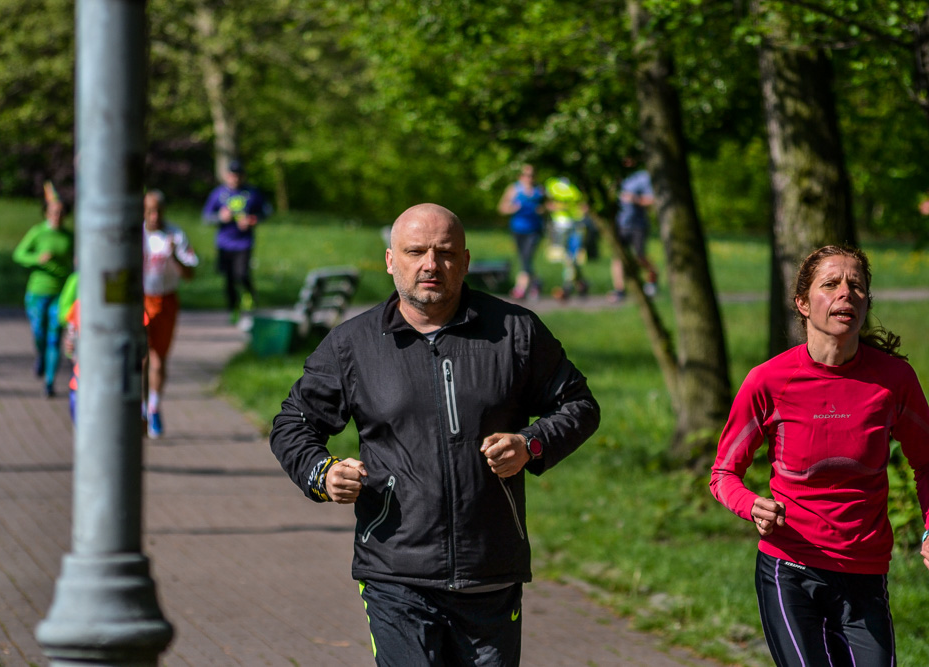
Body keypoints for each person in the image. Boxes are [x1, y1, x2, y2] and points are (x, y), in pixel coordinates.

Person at [270, 203, 600, 666]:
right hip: (395, 572)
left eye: (444, 253)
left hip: (490, 570)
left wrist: (531, 444)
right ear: (391, 261)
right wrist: (321, 473)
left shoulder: (514, 332)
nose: (430, 264)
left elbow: (579, 405)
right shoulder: (353, 345)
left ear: (464, 262)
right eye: (415, 251)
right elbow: (294, 423)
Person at [709, 244, 929, 667]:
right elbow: (723, 473)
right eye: (830, 284)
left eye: (856, 286)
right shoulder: (768, 381)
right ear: (803, 304)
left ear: (866, 303)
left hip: (865, 572)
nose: (846, 293)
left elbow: (928, 462)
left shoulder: (893, 380)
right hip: (791, 568)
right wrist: (750, 504)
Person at [143, 190, 199, 439]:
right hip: (140, 301)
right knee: (141, 357)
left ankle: (154, 407)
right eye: (149, 211)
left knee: (158, 358)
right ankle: (141, 406)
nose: (154, 216)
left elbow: (190, 274)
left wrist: (175, 255)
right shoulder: (135, 234)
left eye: (158, 211)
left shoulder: (175, 235)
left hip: (166, 300)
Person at [12, 182, 74, 397]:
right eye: (54, 212)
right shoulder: (37, 233)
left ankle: (49, 382)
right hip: (37, 293)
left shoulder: (69, 237)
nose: (57, 216)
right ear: (46, 213)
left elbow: (77, 262)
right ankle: (40, 356)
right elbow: (19, 255)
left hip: (60, 293)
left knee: (54, 337)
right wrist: (37, 259)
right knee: (39, 333)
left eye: (61, 212)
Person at [201, 160, 271, 323]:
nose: (235, 178)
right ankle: (233, 309)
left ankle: (249, 296)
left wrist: (253, 219)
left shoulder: (251, 193)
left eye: (238, 175)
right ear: (227, 176)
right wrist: (220, 217)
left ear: (243, 176)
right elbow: (206, 217)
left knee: (242, 273)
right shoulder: (218, 194)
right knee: (229, 278)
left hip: (244, 242)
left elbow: (266, 211)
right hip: (224, 243)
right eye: (232, 175)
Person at [610, 158, 658, 303]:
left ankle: (652, 277)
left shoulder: (642, 177)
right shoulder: (614, 176)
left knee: (639, 256)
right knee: (618, 256)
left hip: (638, 225)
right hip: (619, 224)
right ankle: (620, 290)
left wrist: (635, 199)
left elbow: (651, 200)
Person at [497, 164, 546, 300]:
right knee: (523, 258)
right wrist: (512, 208)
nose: (529, 178)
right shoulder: (514, 189)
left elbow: (549, 206)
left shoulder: (540, 190)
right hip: (518, 229)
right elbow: (501, 208)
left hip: (535, 229)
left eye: (532, 175)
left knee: (527, 257)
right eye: (526, 175)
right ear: (520, 176)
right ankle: (536, 282)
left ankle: (520, 288)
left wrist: (542, 210)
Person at [544, 176, 589, 301]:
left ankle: (566, 288)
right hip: (559, 226)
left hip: (575, 226)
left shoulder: (575, 188)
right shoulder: (553, 185)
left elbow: (583, 206)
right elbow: (548, 203)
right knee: (567, 258)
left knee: (572, 258)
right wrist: (557, 207)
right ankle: (581, 283)